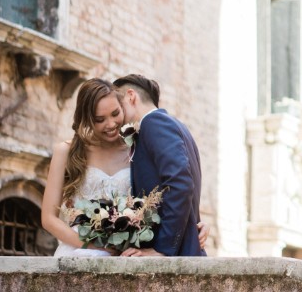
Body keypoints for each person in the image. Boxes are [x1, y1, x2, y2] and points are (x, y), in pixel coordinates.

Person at [41, 78, 209, 256]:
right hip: (78, 250)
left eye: (115, 113)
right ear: (87, 118)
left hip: (125, 254)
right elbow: (48, 218)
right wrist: (93, 246)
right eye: (99, 119)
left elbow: (170, 189)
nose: (111, 124)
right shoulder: (66, 151)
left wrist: (193, 225)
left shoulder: (137, 147)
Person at [114, 74, 205, 257]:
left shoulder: (154, 124)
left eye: (118, 105)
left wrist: (162, 249)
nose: (118, 116)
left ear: (131, 96)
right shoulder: (176, 125)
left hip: (177, 253)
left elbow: (180, 183)